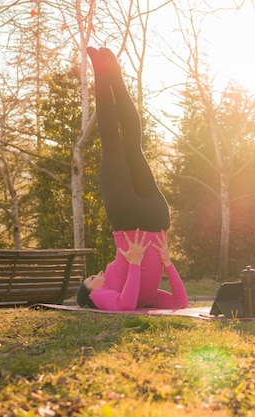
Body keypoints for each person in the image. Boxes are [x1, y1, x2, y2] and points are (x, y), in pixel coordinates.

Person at [76, 47, 188, 311]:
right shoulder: (99, 297)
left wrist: (150, 262)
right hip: (132, 220)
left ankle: (110, 73)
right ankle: (105, 75)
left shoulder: (135, 292)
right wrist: (163, 262)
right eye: (91, 279)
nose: (98, 275)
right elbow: (127, 305)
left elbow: (173, 302)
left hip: (156, 219)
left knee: (131, 145)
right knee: (116, 144)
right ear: (88, 296)